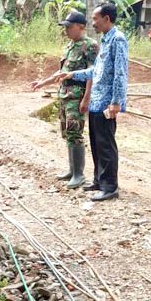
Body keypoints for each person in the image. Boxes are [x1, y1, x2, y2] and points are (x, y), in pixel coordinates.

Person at [59, 3, 128, 202]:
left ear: (107, 19)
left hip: (107, 102)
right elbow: (95, 71)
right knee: (97, 144)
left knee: (106, 145)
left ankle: (110, 187)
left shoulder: (118, 39)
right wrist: (72, 73)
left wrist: (116, 102)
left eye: (96, 18)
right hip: (97, 102)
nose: (93, 23)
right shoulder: (105, 40)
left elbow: (120, 74)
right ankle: (98, 181)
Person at [30, 11, 98, 189]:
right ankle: (71, 170)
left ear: (81, 27)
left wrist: (86, 98)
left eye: (69, 27)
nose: (66, 30)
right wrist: (43, 83)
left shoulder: (90, 46)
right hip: (65, 94)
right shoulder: (69, 46)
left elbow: (92, 74)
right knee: (67, 132)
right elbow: (61, 72)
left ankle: (79, 174)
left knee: (75, 133)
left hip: (77, 96)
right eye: (65, 27)